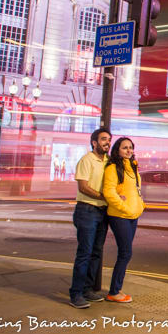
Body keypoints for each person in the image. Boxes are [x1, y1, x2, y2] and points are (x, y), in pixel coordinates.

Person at [69, 128, 111, 309]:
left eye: (109, 139)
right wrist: (104, 197)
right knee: (85, 253)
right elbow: (83, 187)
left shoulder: (109, 162)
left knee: (96, 253)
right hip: (87, 210)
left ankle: (87, 289)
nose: (107, 143)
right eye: (103, 139)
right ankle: (76, 293)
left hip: (102, 212)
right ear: (94, 142)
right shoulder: (86, 160)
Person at [102, 137, 145, 303]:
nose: (129, 150)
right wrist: (125, 207)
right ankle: (114, 291)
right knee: (125, 253)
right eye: (124, 148)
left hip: (133, 215)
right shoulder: (113, 168)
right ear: (117, 150)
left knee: (125, 253)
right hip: (119, 215)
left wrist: (140, 206)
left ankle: (115, 289)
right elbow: (109, 192)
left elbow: (136, 190)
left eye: (131, 147)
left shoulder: (132, 167)